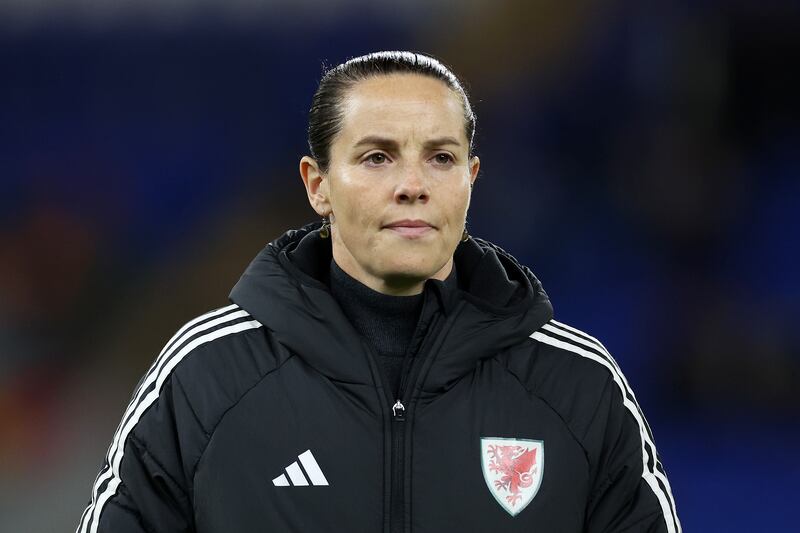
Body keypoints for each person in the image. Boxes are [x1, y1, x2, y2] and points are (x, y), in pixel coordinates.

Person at [76, 51, 681, 533]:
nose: (413, 185)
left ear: (470, 180)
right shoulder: (206, 377)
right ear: (317, 186)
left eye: (440, 158)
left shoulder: (577, 386)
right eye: (377, 158)